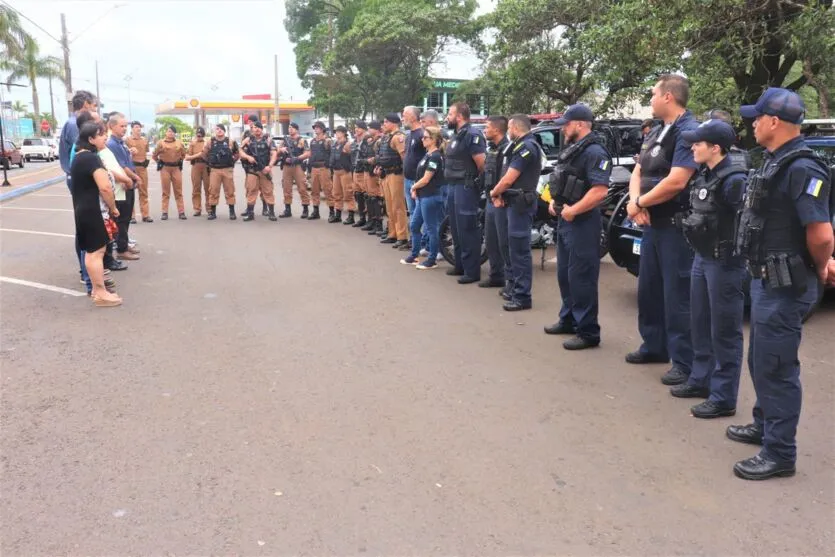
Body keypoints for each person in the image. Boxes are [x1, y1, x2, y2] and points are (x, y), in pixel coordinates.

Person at [728, 88, 833, 480]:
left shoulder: (803, 168)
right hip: (765, 281)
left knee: (776, 367)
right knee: (761, 360)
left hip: (786, 285)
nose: (752, 123)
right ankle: (764, 424)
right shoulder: (774, 161)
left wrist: (819, 270)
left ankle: (780, 453)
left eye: (757, 117)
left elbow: (821, 234)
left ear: (774, 121)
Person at [666, 119, 749, 416]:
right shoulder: (706, 174)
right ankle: (701, 379)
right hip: (702, 257)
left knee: (724, 330)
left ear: (715, 148)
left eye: (698, 144)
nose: (692, 147)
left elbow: (743, 225)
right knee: (699, 322)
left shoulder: (734, 179)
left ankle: (724, 396)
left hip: (724, 262)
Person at [625, 74, 700, 385]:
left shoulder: (689, 131)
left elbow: (678, 180)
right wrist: (635, 203)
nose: (651, 98)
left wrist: (641, 202)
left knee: (677, 295)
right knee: (649, 291)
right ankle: (654, 346)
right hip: (650, 224)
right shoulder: (657, 131)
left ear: (668, 96)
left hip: (675, 226)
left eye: (653, 93)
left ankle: (684, 362)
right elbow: (639, 170)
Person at [544, 104, 611, 348]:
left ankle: (588, 331)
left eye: (567, 123)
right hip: (566, 218)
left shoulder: (595, 152)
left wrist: (574, 209)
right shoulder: (572, 150)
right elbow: (560, 178)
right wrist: (554, 201)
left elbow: (599, 191)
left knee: (582, 277)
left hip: (583, 221)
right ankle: (569, 319)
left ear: (580, 124)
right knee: (566, 274)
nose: (563, 128)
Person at [488, 114, 542, 310]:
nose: (508, 131)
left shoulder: (526, 147)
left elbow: (510, 178)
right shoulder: (517, 145)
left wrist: (495, 192)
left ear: (514, 128)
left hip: (521, 204)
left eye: (509, 128)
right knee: (511, 247)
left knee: (520, 251)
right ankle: (514, 288)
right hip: (512, 202)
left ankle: (522, 296)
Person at [70, 120, 122, 307]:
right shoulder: (91, 158)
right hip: (94, 211)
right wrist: (113, 207)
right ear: (91, 139)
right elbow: (105, 188)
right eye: (101, 135)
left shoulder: (79, 157)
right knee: (96, 252)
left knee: (93, 252)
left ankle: (97, 290)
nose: (104, 138)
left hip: (84, 210)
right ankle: (100, 292)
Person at [59, 90, 98, 292]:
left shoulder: (73, 123)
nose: (95, 109)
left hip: (78, 179)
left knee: (86, 225)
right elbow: (84, 155)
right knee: (86, 226)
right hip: (80, 181)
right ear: (85, 104)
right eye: (94, 105)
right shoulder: (75, 125)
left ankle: (89, 271)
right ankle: (87, 274)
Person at [445, 102, 487, 283]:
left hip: (466, 186)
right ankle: (460, 264)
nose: (447, 117)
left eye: (450, 113)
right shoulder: (457, 135)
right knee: (455, 227)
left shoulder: (473, 135)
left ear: (459, 116)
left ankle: (472, 271)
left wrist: (478, 184)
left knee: (468, 228)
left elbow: (482, 164)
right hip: (454, 186)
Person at [400, 126, 446, 270]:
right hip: (423, 196)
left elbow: (426, 178)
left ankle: (432, 259)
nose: (422, 139)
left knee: (431, 228)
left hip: (431, 196)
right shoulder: (427, 155)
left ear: (433, 140)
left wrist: (414, 187)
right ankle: (414, 255)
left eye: (425, 137)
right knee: (414, 225)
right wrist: (416, 188)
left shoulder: (435, 156)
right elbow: (420, 177)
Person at [105, 112, 143, 262]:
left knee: (126, 218)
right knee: (122, 219)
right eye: (122, 126)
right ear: (112, 126)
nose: (124, 129)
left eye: (125, 126)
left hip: (128, 184)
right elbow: (122, 167)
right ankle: (121, 248)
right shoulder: (112, 144)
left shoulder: (121, 142)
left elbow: (126, 161)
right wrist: (135, 177)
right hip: (123, 185)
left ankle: (124, 244)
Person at [480, 116, 511, 291]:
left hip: (501, 201)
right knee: (491, 240)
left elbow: (506, 177)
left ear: (497, 130)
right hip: (490, 199)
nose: (484, 130)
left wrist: (498, 195)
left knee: (503, 242)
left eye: (487, 127)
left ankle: (509, 280)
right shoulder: (492, 148)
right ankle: (495, 275)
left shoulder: (507, 149)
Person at [376, 114, 409, 249]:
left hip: (396, 174)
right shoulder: (387, 137)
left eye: (386, 122)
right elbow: (383, 156)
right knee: (389, 206)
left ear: (394, 123)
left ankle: (402, 236)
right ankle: (393, 233)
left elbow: (404, 157)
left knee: (398, 206)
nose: (384, 124)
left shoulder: (398, 137)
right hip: (386, 174)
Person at [239, 121, 278, 221]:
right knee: (251, 191)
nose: (256, 129)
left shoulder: (268, 140)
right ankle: (250, 213)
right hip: (252, 170)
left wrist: (269, 166)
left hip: (265, 170)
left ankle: (271, 213)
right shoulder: (248, 140)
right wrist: (248, 157)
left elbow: (274, 153)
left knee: (268, 191)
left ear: (262, 129)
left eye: (259, 127)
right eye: (255, 127)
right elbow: (240, 150)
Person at [202, 124, 239, 221]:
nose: (219, 131)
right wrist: (210, 163)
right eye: (217, 129)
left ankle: (232, 212)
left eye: (221, 129)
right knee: (213, 191)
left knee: (230, 191)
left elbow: (237, 154)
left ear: (224, 131)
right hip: (215, 170)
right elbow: (204, 154)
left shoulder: (231, 142)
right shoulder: (210, 141)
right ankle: (212, 213)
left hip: (227, 169)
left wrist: (232, 162)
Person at [152, 125, 187, 220]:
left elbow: (184, 154)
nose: (170, 133)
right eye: (168, 131)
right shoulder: (161, 143)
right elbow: (154, 155)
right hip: (165, 168)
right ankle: (164, 212)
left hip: (176, 168)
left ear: (174, 133)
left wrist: (179, 161)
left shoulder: (179, 143)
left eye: (172, 131)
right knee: (165, 191)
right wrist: (159, 162)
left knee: (178, 191)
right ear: (166, 132)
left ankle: (181, 212)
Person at [278, 122, 310, 218]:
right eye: (289, 127)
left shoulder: (301, 140)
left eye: (292, 128)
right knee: (286, 188)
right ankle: (287, 210)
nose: (290, 129)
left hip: (297, 166)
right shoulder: (285, 140)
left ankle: (305, 209)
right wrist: (281, 149)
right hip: (287, 167)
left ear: (296, 129)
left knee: (302, 188)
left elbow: (307, 153)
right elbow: (277, 150)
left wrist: (297, 158)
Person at [402, 106, 427, 230]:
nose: (403, 117)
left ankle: (422, 242)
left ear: (413, 117)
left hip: (417, 180)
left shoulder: (422, 134)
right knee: (412, 211)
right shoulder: (409, 135)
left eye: (405, 114)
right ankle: (414, 240)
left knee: (419, 213)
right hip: (407, 179)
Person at [362, 121, 385, 235]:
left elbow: (380, 156)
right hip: (367, 170)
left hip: (374, 172)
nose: (368, 130)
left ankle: (378, 224)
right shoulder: (370, 141)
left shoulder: (380, 141)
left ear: (376, 129)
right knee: (369, 196)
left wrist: (371, 161)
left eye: (370, 128)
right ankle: (371, 220)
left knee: (375, 198)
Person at [125, 121, 152, 223]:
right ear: (132, 129)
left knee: (144, 191)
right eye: (136, 127)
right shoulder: (127, 140)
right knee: (131, 192)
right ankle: (132, 216)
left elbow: (146, 151)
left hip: (143, 168)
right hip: (132, 168)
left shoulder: (144, 140)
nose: (138, 129)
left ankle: (145, 215)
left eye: (139, 127)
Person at [329, 125, 355, 224]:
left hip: (345, 171)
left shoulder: (348, 144)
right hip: (336, 172)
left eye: (339, 132)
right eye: (336, 132)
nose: (337, 133)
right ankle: (338, 215)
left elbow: (353, 157)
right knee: (336, 194)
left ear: (344, 133)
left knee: (348, 193)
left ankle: (351, 215)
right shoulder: (335, 144)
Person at [308, 121, 333, 221]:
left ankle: (332, 212)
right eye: (315, 127)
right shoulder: (313, 141)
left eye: (317, 127)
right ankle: (315, 211)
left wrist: (330, 165)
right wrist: (309, 166)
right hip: (314, 168)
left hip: (324, 168)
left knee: (327, 190)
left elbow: (332, 154)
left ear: (322, 129)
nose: (315, 129)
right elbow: (311, 154)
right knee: (314, 190)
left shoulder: (327, 141)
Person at [185, 126, 210, 217]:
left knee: (208, 188)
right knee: (196, 188)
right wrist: (199, 155)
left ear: (203, 135)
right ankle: (197, 208)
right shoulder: (192, 143)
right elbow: (187, 157)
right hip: (196, 166)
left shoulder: (207, 143)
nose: (199, 137)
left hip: (206, 166)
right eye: (198, 135)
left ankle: (209, 208)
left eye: (200, 135)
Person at [350, 121, 369, 228]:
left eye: (358, 128)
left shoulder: (367, 141)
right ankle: (362, 218)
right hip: (355, 171)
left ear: (364, 129)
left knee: (368, 195)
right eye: (355, 127)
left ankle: (372, 219)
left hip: (364, 171)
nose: (356, 129)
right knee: (358, 194)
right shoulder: (354, 142)